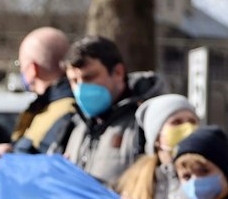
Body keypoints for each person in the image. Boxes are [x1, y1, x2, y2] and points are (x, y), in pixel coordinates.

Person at [55, 35, 162, 188]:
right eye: (74, 81)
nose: (80, 88)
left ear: (118, 72)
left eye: (89, 77)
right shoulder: (73, 125)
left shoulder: (147, 121)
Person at [116, 94, 199, 199]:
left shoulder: (205, 174)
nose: (187, 127)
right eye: (176, 122)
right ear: (156, 137)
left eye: (192, 121)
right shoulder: (135, 184)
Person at [12, 27, 74, 150]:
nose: (21, 71)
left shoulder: (62, 110)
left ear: (32, 69)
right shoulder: (46, 105)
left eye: (20, 64)